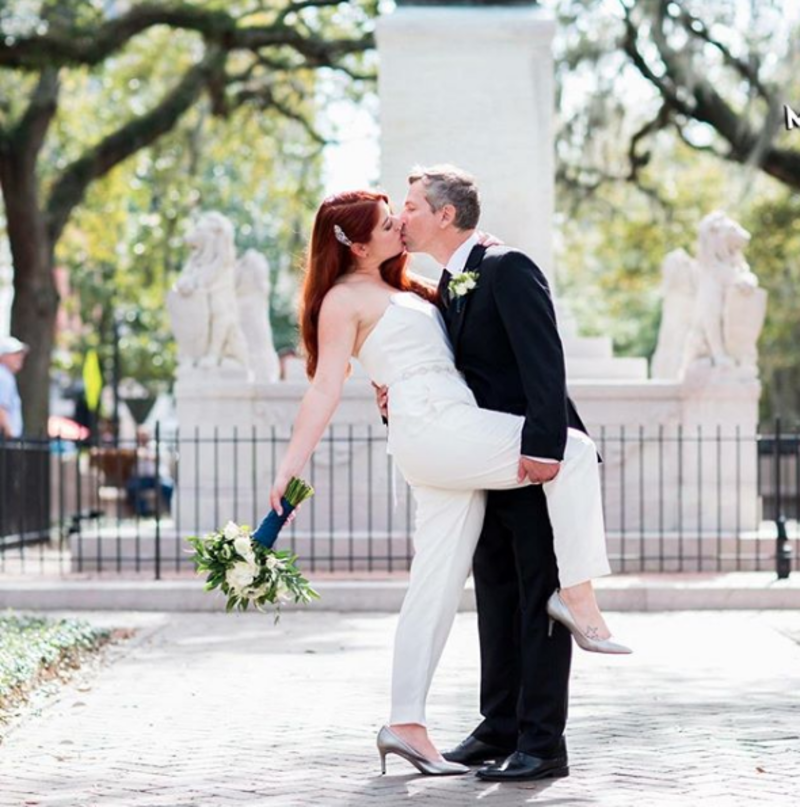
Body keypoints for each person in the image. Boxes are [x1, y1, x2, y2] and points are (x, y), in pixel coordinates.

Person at [269, 177, 628, 780]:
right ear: (354, 244)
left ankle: (405, 723)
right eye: (388, 221)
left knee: (432, 586)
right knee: (573, 448)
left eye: (403, 212)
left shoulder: (416, 287)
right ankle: (579, 596)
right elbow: (326, 386)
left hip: (451, 434)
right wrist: (288, 470)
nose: (399, 225)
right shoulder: (342, 300)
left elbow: (451, 350)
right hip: (439, 432)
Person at [126, 426, 174, 517]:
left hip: (158, 477)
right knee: (132, 487)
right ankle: (143, 513)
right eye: (140, 435)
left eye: (144, 435)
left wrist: (146, 455)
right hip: (142, 478)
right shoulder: (134, 447)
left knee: (168, 486)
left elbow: (159, 457)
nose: (143, 438)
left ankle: (170, 511)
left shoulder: (157, 446)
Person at [0, 336, 28, 439]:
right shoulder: (4, 377)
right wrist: (9, 434)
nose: (20, 357)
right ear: (2, 356)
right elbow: (1, 408)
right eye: (15, 353)